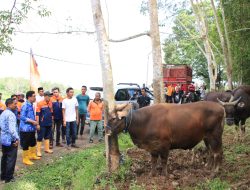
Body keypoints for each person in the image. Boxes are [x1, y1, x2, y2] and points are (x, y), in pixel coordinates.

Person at [0, 98, 19, 183]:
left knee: (4, 157)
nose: (16, 105)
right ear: (9, 104)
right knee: (11, 159)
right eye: (15, 104)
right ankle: (9, 178)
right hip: (10, 140)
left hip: (4, 139)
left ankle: (3, 176)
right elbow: (12, 129)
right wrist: (16, 138)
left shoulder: (3, 113)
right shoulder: (11, 114)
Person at [20, 91, 41, 165]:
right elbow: (22, 117)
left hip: (31, 128)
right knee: (26, 143)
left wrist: (35, 124)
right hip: (25, 129)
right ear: (29, 97)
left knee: (33, 142)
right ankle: (25, 159)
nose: (35, 97)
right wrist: (32, 122)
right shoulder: (25, 105)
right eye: (34, 96)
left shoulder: (31, 105)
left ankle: (32, 155)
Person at [36, 91, 53, 157]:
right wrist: (37, 124)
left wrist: (52, 121)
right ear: (45, 96)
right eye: (49, 96)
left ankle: (47, 149)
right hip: (42, 124)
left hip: (49, 123)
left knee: (47, 136)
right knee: (40, 137)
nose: (50, 97)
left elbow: (51, 113)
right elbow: (37, 114)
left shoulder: (50, 103)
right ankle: (38, 151)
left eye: (50, 96)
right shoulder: (40, 103)